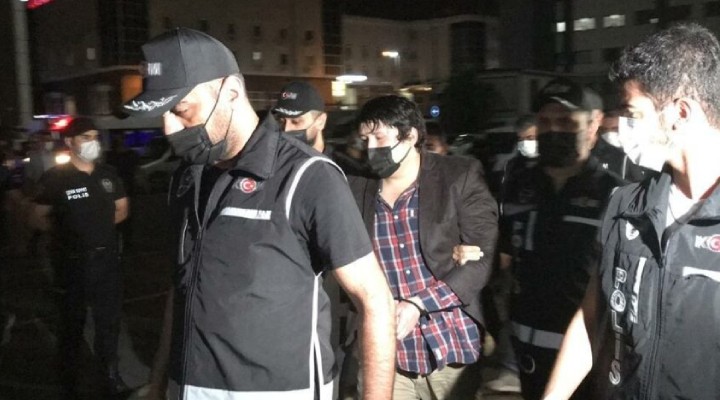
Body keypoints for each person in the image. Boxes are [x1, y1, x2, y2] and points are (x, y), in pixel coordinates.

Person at [122, 27, 395, 399]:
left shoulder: (308, 176)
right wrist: (159, 383)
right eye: (162, 113)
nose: (169, 127)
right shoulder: (187, 178)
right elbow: (181, 288)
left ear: (232, 92)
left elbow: (374, 299)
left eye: (181, 109)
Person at [543, 23, 720, 400]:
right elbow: (592, 315)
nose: (624, 129)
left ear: (682, 112)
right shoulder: (625, 205)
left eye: (633, 113)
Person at [348, 95, 498, 400]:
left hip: (449, 347)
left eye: (379, 138)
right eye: (365, 140)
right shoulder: (356, 186)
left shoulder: (458, 176)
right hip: (386, 352)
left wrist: (418, 304)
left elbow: (481, 261)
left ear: (411, 136)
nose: (371, 148)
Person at [499, 78, 624, 400]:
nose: (553, 130)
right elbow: (505, 257)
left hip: (589, 355)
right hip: (527, 349)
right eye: (545, 121)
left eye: (566, 122)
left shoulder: (616, 194)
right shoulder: (517, 186)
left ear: (594, 123)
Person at [30, 117, 130, 398]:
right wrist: (68, 233)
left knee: (108, 325)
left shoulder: (108, 174)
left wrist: (96, 230)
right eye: (85, 137)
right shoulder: (56, 178)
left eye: (95, 136)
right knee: (71, 325)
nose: (92, 142)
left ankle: (108, 380)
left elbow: (122, 209)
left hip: (106, 262)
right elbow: (36, 217)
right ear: (70, 142)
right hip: (72, 264)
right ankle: (69, 383)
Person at [591, 109, 654, 183]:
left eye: (615, 129)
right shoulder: (597, 154)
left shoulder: (645, 154)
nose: (609, 133)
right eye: (605, 130)